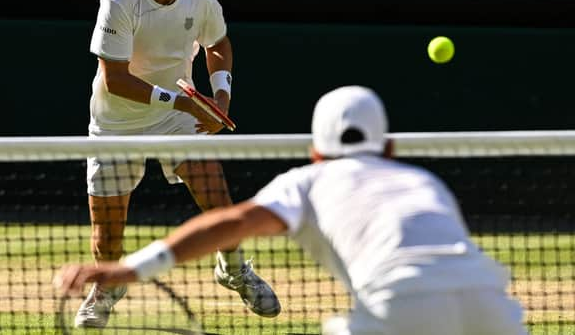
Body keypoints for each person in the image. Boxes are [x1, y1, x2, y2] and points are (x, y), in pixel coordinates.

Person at [56, 85, 528, 335]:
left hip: (397, 304)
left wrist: (129, 269)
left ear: (315, 150)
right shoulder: (426, 181)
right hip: (495, 308)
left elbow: (231, 221)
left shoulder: (308, 181)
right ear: (388, 146)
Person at [78, 0, 280, 328]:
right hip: (118, 122)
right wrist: (186, 102)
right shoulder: (119, 0)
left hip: (175, 117)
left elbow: (218, 42)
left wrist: (220, 97)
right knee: (107, 238)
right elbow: (115, 80)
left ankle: (234, 268)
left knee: (214, 190)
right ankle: (107, 286)